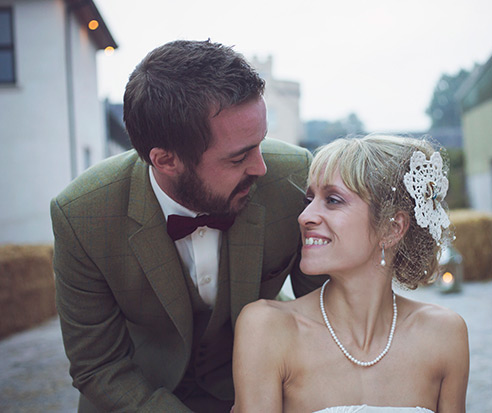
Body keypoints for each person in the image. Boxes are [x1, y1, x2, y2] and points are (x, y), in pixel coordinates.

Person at [51, 40, 325, 412]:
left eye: (260, 143)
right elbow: (98, 366)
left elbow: (327, 314)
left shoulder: (292, 177)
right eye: (239, 157)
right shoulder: (81, 215)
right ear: (166, 160)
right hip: (137, 396)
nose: (260, 167)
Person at [232, 135, 470, 412]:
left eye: (332, 200)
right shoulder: (267, 329)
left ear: (392, 229)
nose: (305, 216)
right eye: (309, 199)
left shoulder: (444, 334)